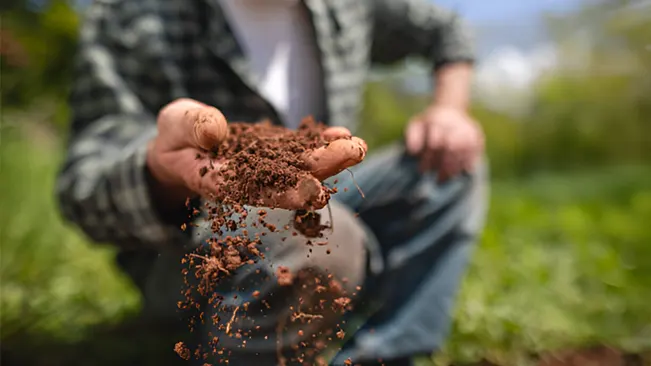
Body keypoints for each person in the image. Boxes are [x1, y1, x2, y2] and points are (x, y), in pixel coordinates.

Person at [56, 0, 488, 364]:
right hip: (192, 240)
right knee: (323, 238)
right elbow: (84, 185)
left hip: (325, 195)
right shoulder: (135, 14)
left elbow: (446, 29)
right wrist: (163, 171)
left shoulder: (346, 6)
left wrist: (449, 109)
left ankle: (383, 351)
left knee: (449, 163)